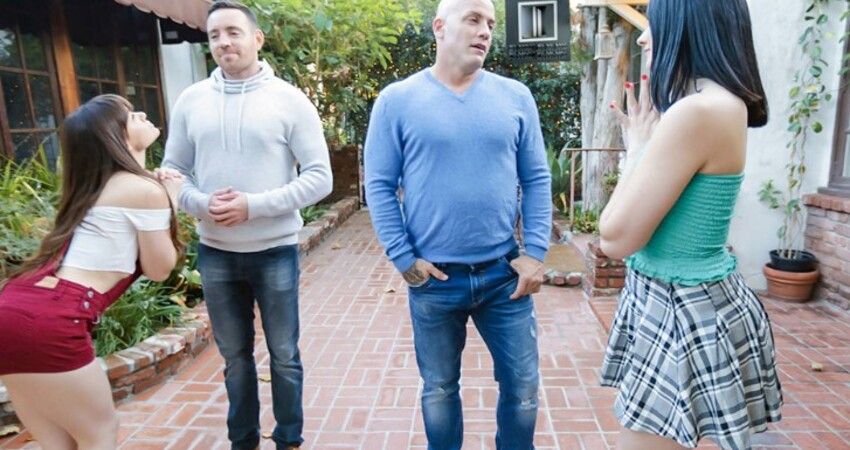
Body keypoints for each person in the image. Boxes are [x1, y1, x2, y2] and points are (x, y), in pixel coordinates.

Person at [364, 0, 551, 448]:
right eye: (473, 19)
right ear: (439, 27)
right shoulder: (397, 101)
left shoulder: (515, 96)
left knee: (524, 389)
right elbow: (379, 185)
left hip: (504, 276)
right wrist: (403, 258)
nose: (485, 30)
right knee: (440, 389)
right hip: (436, 281)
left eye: (490, 23)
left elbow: (537, 178)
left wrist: (535, 253)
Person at [598, 1, 783, 449]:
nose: (644, 38)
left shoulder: (697, 111)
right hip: (690, 298)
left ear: (688, 25)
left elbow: (614, 238)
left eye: (654, 24)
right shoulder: (722, 104)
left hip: (680, 307)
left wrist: (636, 149)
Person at [159, 1, 332, 449]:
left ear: (257, 38)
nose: (223, 42)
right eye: (215, 35)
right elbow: (174, 171)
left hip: (275, 251)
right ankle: (243, 440)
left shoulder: (289, 100)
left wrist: (252, 206)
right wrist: (201, 204)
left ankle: (289, 438)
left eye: (233, 32)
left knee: (284, 355)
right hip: (216, 252)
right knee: (234, 358)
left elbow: (320, 178)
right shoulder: (191, 100)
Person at [0, 94, 183, 449]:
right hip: (53, 317)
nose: (141, 114)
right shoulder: (144, 190)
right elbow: (160, 268)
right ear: (114, 135)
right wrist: (170, 199)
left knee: (57, 442)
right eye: (130, 115)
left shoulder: (88, 188)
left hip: (12, 306)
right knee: (100, 432)